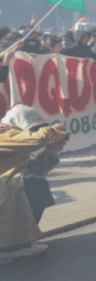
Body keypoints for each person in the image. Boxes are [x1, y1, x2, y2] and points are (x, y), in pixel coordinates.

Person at [0, 105, 67, 261]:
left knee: (34, 183)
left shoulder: (14, 140)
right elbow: (37, 139)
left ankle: (18, 242)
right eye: (33, 128)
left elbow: (31, 171)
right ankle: (11, 246)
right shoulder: (4, 131)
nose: (34, 131)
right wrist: (55, 130)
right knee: (36, 186)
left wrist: (49, 154)